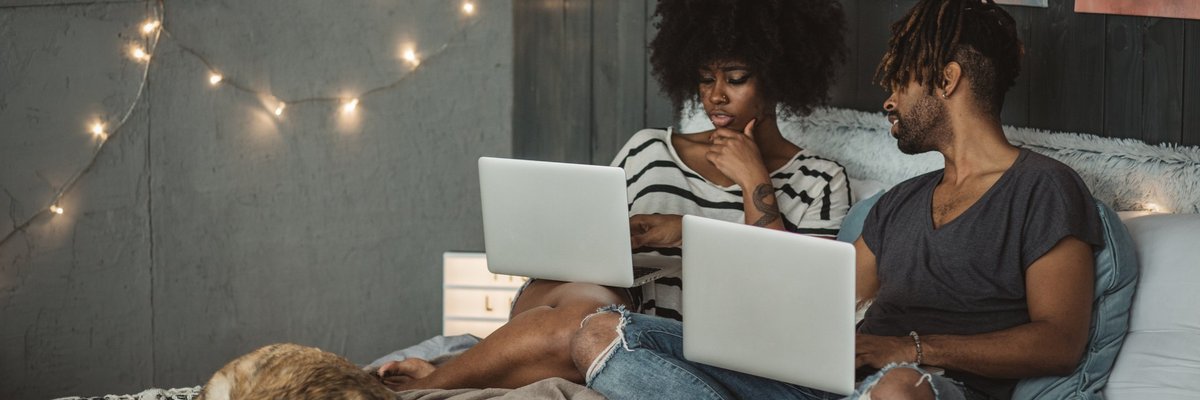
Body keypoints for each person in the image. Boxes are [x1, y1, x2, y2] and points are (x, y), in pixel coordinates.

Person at [568, 0, 1105, 399]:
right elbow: (810, 305)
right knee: (603, 334)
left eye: (901, 82)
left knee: (895, 389)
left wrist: (906, 349)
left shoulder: (1044, 187)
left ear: (947, 80)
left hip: (922, 386)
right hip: (830, 383)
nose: (888, 100)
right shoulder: (898, 204)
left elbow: (1060, 341)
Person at [375, 0, 851, 391]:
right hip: (588, 294)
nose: (715, 97)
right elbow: (587, 236)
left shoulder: (820, 178)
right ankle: (433, 384)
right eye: (706, 78)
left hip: (656, 335)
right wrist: (615, 238)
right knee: (586, 305)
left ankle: (432, 381)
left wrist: (752, 184)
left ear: (777, 76)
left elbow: (788, 305)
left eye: (736, 77)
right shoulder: (648, 148)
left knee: (591, 321)